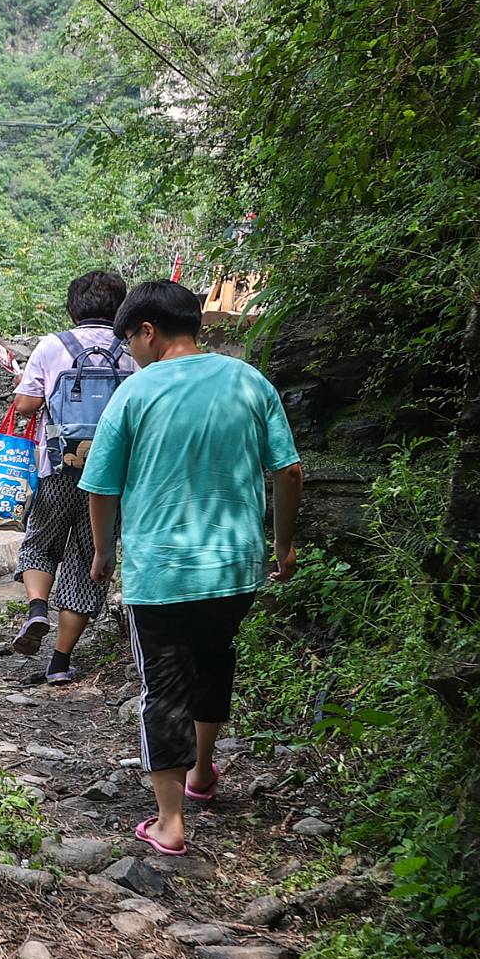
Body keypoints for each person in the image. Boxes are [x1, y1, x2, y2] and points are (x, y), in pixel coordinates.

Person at [83, 278, 303, 854]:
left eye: (129, 338)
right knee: (213, 661)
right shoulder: (249, 381)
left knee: (165, 688)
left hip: (162, 573)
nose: (130, 350)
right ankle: (204, 773)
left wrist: (103, 552)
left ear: (148, 332)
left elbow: (102, 489)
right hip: (235, 568)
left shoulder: (134, 394)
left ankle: (170, 822)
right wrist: (282, 545)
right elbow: (290, 472)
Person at [6, 270, 135, 681]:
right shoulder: (134, 348)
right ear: (121, 307)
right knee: (91, 560)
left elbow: (26, 406)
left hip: (59, 468)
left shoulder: (52, 345)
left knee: (41, 541)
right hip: (112, 474)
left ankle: (38, 608)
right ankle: (60, 662)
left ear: (73, 306)